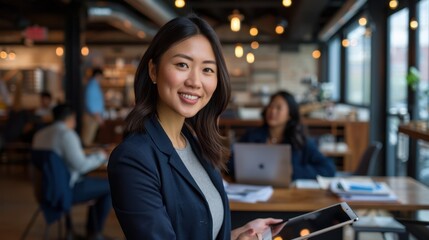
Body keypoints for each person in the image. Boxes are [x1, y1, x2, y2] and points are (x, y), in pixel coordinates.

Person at [107, 15, 285, 240]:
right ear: (153, 70)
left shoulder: (195, 143)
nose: (195, 81)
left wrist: (238, 235)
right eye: (182, 65)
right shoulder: (133, 159)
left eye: (207, 70)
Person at [32, 104, 112, 240]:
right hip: (64, 191)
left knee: (95, 184)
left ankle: (82, 231)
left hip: (44, 190)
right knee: (110, 187)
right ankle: (94, 233)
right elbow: (81, 165)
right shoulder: (67, 135)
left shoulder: (39, 134)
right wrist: (102, 156)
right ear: (70, 118)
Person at [229, 90, 336, 180]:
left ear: (289, 115)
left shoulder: (300, 140)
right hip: (254, 192)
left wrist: (294, 171)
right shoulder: (251, 136)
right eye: (270, 106)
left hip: (290, 196)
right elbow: (231, 164)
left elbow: (328, 168)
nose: (272, 111)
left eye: (278, 108)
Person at [82, 67, 105, 147]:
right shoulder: (92, 86)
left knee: (89, 139)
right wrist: (98, 116)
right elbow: (91, 103)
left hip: (93, 116)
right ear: (98, 75)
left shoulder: (94, 85)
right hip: (92, 117)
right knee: (87, 140)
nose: (102, 79)